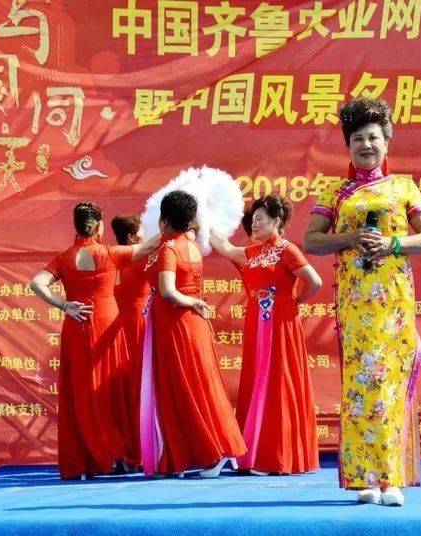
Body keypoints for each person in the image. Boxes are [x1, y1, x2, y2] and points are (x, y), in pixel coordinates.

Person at [303, 97, 421, 506]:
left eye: (373, 137)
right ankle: (364, 478)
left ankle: (391, 478)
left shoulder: (404, 188)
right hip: (355, 306)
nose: (366, 145)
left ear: (386, 142)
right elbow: (311, 241)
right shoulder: (335, 192)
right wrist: (349, 238)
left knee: (390, 386)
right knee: (361, 388)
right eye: (358, 139)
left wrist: (394, 243)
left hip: (394, 305)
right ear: (348, 147)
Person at [30, 202, 160, 479]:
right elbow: (149, 246)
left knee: (82, 392)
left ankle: (88, 458)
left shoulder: (64, 258)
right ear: (99, 225)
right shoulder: (109, 253)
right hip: (107, 326)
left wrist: (64, 305)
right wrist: (173, 225)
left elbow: (37, 283)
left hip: (76, 327)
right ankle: (119, 455)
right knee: (112, 390)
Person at [211, 194, 322, 475]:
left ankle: (276, 457)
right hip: (256, 322)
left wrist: (294, 301)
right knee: (257, 380)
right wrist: (204, 217)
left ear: (277, 221)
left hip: (281, 323)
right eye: (253, 220)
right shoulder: (251, 252)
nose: (254, 224)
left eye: (260, 219)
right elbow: (224, 247)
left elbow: (314, 281)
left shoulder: (287, 250)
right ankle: (257, 452)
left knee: (277, 383)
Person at [146, 190, 246, 478]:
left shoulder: (170, 249)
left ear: (164, 222)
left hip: (176, 323)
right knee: (201, 386)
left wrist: (191, 301)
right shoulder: (191, 246)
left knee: (183, 389)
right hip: (192, 324)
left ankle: (211, 452)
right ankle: (207, 452)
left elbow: (168, 291)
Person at [110, 214, 151, 468]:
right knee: (139, 386)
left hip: (116, 325)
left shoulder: (112, 256)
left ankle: (126, 452)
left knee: (125, 388)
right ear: (133, 237)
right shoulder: (140, 257)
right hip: (137, 324)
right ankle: (138, 451)